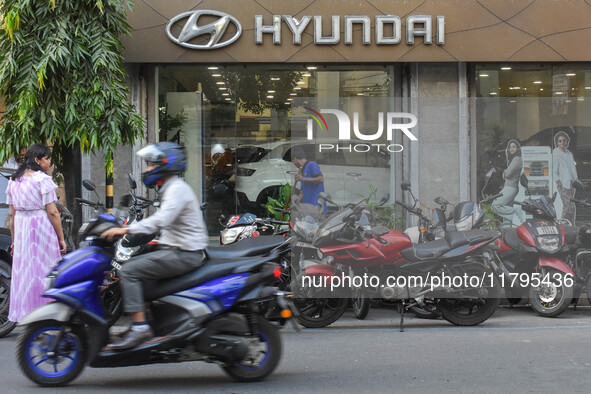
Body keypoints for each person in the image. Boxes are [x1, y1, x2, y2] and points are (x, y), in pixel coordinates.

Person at [101, 142, 208, 350]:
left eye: (151, 165)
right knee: (137, 263)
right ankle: (146, 321)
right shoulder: (170, 188)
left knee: (129, 271)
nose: (148, 169)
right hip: (176, 248)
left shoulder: (177, 189)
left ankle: (140, 327)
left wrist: (125, 230)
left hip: (185, 254)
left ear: (166, 165)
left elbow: (160, 220)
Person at [5, 144, 67, 322]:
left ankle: (29, 315)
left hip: (23, 230)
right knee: (45, 271)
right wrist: (60, 238)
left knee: (26, 273)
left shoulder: (13, 181)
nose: (49, 162)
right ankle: (47, 314)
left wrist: (15, 240)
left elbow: (12, 214)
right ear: (37, 160)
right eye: (47, 158)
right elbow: (53, 212)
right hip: (40, 228)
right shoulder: (42, 180)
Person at [492, 139, 526, 228]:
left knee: (495, 206)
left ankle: (517, 211)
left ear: (518, 149)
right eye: (510, 147)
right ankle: (507, 231)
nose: (511, 149)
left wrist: (503, 172)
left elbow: (507, 174)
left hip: (510, 188)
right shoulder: (513, 159)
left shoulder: (517, 159)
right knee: (507, 216)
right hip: (510, 187)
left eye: (514, 147)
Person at [552, 131, 578, 224]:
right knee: (567, 205)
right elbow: (554, 169)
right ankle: (561, 225)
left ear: (567, 142)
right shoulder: (556, 152)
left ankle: (572, 225)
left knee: (572, 206)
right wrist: (559, 182)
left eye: (564, 141)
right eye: (560, 141)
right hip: (563, 183)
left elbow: (572, 168)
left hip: (572, 183)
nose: (562, 142)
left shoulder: (569, 153)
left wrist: (575, 181)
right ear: (557, 142)